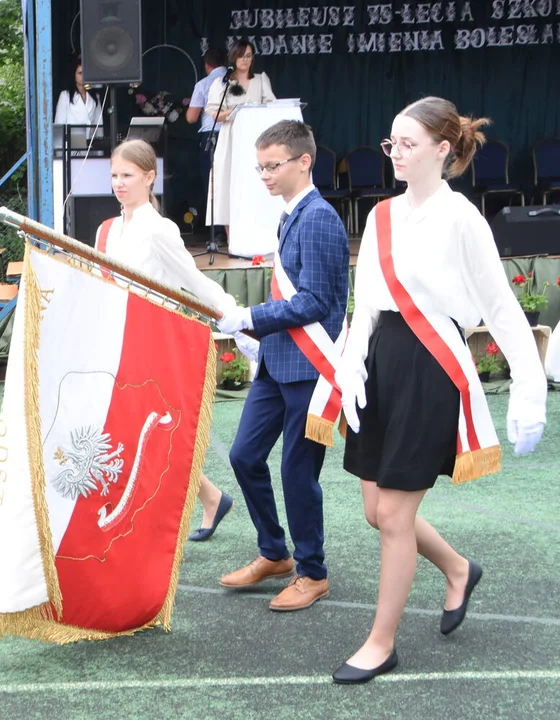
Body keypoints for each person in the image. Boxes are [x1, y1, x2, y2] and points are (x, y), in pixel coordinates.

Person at [331, 97, 547, 684]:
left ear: (442, 149)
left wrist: (530, 388)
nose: (395, 154)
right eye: (390, 144)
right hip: (380, 363)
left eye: (407, 144)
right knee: (376, 511)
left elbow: (502, 310)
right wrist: (350, 367)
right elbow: (366, 307)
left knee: (396, 516)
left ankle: (381, 642)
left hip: (432, 366)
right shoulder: (379, 217)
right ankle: (457, 569)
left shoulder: (463, 220)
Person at [215, 121, 350, 610]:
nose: (265, 175)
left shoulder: (317, 218)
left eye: (273, 165)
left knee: (297, 473)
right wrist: (258, 333)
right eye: (260, 167)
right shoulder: (292, 215)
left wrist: (251, 316)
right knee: (244, 456)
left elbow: (314, 302)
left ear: (303, 161)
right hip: (280, 363)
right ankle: (275, 552)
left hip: (311, 371)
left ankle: (312, 571)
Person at [98, 139, 257, 539]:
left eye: (128, 176)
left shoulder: (159, 230)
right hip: (116, 336)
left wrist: (236, 318)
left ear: (149, 177)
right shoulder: (111, 228)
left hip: (151, 340)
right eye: (115, 175)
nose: (119, 183)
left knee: (150, 428)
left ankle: (184, 504)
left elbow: (194, 281)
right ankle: (208, 497)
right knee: (132, 428)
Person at [206, 39, 276, 238]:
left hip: (256, 137)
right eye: (241, 55)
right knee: (228, 184)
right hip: (231, 137)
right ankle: (232, 239)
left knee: (256, 185)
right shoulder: (223, 82)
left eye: (249, 56)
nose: (245, 60)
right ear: (233, 57)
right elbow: (213, 112)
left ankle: (259, 236)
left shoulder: (261, 79)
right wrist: (235, 111)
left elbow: (271, 106)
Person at [186, 48, 228, 233]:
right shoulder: (236, 81)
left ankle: (216, 232)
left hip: (212, 136)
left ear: (207, 65)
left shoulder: (205, 84)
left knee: (212, 183)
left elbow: (191, 117)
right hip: (233, 134)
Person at [53, 55, 102, 128]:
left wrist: (99, 139)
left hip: (90, 138)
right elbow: (59, 123)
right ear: (74, 74)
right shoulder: (65, 95)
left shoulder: (95, 95)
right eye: (80, 73)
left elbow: (99, 122)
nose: (83, 76)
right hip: (72, 138)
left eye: (85, 73)